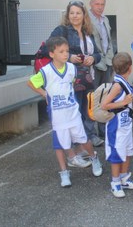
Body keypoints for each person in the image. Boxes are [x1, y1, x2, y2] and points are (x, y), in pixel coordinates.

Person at [27, 37, 103, 187]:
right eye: (61, 51)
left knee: (83, 139)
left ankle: (94, 158)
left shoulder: (71, 68)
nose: (65, 54)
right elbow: (30, 82)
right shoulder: (46, 71)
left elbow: (72, 83)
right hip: (57, 116)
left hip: (72, 113)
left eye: (67, 51)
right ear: (51, 54)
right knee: (59, 145)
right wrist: (44, 94)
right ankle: (64, 172)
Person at [49, 0, 105, 148]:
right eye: (72, 13)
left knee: (89, 108)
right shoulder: (62, 30)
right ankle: (77, 140)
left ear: (83, 15)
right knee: (75, 110)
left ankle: (89, 135)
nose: (75, 16)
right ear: (68, 15)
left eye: (78, 13)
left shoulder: (88, 32)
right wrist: (68, 57)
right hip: (71, 79)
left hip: (88, 76)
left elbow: (99, 54)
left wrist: (93, 58)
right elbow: (49, 48)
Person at [101, 52, 133, 198]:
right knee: (116, 155)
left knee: (127, 152)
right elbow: (105, 105)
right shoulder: (117, 85)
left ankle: (124, 178)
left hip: (125, 125)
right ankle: (115, 182)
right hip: (115, 127)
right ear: (130, 68)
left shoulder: (124, 82)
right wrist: (123, 102)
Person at [89, 0, 114, 139]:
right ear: (91, 4)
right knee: (93, 98)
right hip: (95, 64)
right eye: (97, 4)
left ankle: (103, 130)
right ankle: (92, 133)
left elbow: (109, 42)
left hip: (107, 62)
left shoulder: (105, 20)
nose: (100, 7)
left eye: (102, 4)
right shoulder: (87, 20)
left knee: (105, 97)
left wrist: (110, 58)